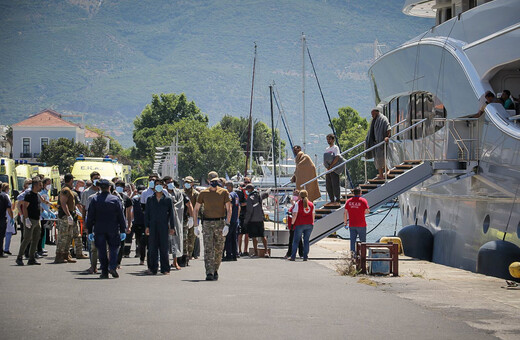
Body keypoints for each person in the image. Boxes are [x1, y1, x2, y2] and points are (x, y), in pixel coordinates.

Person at [193, 171, 231, 281]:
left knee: (219, 249)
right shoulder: (203, 193)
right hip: (207, 223)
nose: (215, 183)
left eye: (216, 181)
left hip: (220, 223)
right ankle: (209, 272)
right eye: (212, 181)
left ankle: (215, 269)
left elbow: (229, 209)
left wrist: (227, 224)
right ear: (209, 181)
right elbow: (196, 209)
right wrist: (196, 225)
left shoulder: (224, 192)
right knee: (208, 248)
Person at [86, 179, 126, 279]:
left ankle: (104, 271)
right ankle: (112, 266)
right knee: (113, 249)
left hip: (99, 229)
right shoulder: (115, 199)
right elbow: (121, 216)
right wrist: (123, 230)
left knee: (102, 251)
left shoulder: (95, 199)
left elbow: (90, 216)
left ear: (99, 187)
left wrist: (89, 230)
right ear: (110, 187)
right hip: (113, 228)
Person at [144, 178, 176, 275]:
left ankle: (165, 269)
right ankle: (153, 268)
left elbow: (171, 215)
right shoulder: (150, 199)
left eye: (160, 185)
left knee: (164, 248)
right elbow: (147, 214)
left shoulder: (167, 200)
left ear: (163, 186)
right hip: (153, 226)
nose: (158, 186)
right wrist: (147, 226)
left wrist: (172, 227)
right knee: (152, 248)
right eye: (156, 184)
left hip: (163, 226)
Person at [16, 177, 43, 265]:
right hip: (30, 219)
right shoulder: (29, 195)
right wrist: (26, 219)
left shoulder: (37, 195)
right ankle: (19, 257)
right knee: (27, 238)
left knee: (36, 239)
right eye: (40, 185)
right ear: (35, 186)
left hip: (36, 219)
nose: (41, 187)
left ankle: (32, 258)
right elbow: (24, 207)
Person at [54, 173, 78, 264]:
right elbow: (63, 204)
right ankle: (59, 255)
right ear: (71, 180)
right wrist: (68, 215)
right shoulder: (65, 190)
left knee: (69, 236)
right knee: (63, 236)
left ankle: (66, 254)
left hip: (70, 215)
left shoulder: (69, 190)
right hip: (64, 216)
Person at [80, 171, 101, 273]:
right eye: (95, 178)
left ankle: (102, 264)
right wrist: (84, 222)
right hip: (91, 221)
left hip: (101, 221)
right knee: (91, 245)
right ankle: (93, 266)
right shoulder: (86, 193)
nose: (97, 179)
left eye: (98, 177)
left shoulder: (103, 191)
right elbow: (84, 208)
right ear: (91, 179)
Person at [163, 176, 184, 270]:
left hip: (174, 220)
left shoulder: (178, 193)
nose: (170, 184)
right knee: (164, 242)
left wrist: (172, 208)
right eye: (167, 182)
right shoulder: (162, 193)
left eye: (171, 182)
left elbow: (180, 205)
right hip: (163, 220)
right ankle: (164, 262)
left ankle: (175, 262)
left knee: (175, 241)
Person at [365, 107, 391, 179]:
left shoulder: (383, 119)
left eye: (373, 114)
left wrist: (387, 137)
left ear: (377, 112)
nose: (372, 116)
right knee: (378, 159)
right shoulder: (374, 120)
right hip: (375, 143)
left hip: (381, 142)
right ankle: (386, 170)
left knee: (380, 158)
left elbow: (388, 128)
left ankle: (381, 174)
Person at [244, 184, 268, 257]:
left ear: (249, 189)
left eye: (247, 190)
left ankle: (256, 252)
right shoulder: (259, 195)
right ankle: (266, 251)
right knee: (262, 235)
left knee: (254, 237)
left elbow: (249, 211)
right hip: (260, 218)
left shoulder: (249, 198)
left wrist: (246, 221)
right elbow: (266, 194)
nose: (246, 191)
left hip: (253, 220)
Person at [290, 190, 315, 261]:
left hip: (300, 224)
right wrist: (312, 223)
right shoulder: (311, 204)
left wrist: (292, 224)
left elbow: (295, 215)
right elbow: (313, 215)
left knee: (296, 241)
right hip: (309, 224)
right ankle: (305, 256)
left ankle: (293, 256)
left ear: (300, 196)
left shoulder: (298, 204)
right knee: (306, 240)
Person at [344, 187, 370, 253]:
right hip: (361, 224)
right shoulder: (363, 200)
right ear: (360, 193)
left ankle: (353, 256)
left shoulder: (348, 201)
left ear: (353, 193)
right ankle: (363, 256)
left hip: (352, 224)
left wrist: (345, 223)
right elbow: (367, 211)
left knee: (352, 241)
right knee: (363, 241)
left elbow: (345, 213)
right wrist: (361, 211)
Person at [114, 180, 132, 267]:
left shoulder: (127, 198)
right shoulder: (111, 197)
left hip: (122, 223)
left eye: (121, 186)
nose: (119, 187)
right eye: (117, 185)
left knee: (121, 244)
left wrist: (129, 225)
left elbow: (129, 213)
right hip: (112, 223)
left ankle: (118, 262)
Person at [183, 176, 199, 260]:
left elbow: (198, 206)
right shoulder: (181, 193)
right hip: (183, 217)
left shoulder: (196, 194)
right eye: (186, 182)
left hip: (192, 217)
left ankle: (190, 254)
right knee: (184, 237)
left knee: (192, 237)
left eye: (189, 182)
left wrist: (194, 218)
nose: (187, 184)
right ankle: (184, 254)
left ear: (192, 183)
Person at [223, 181, 240, 261]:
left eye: (226, 187)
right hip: (235, 219)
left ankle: (229, 254)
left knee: (228, 237)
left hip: (230, 218)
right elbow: (238, 207)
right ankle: (234, 254)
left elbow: (229, 206)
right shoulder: (236, 195)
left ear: (229, 187)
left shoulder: (230, 195)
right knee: (234, 237)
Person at [285, 189, 303, 259]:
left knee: (292, 240)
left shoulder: (297, 204)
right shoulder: (295, 204)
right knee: (298, 240)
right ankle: (301, 253)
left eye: (296, 195)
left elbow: (296, 214)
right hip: (293, 224)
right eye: (294, 195)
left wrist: (292, 224)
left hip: (295, 224)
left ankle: (290, 253)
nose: (294, 196)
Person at [323, 133, 342, 205]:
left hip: (334, 169)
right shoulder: (326, 149)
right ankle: (331, 199)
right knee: (328, 185)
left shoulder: (335, 148)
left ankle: (337, 199)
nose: (328, 141)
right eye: (327, 139)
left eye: (329, 139)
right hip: (328, 170)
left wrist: (331, 166)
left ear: (333, 139)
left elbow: (337, 157)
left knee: (335, 184)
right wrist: (327, 167)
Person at [131, 185, 147, 265]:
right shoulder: (135, 200)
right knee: (140, 241)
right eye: (139, 192)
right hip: (137, 223)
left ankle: (144, 257)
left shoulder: (148, 200)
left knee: (145, 241)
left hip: (146, 223)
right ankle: (141, 257)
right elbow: (131, 211)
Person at [236, 177, 251, 256]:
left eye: (248, 182)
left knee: (247, 234)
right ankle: (239, 250)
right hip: (242, 214)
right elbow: (239, 204)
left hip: (248, 215)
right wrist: (246, 203)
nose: (247, 183)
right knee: (240, 234)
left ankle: (245, 250)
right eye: (245, 182)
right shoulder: (240, 192)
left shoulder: (251, 192)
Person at [0, 182, 13, 257]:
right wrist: (11, 217)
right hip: (1, 218)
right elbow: (9, 208)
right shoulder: (4, 196)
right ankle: (0, 252)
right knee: (1, 236)